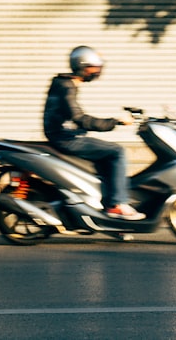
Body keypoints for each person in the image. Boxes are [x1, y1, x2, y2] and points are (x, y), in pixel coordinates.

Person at [43, 46, 146, 221]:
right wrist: (116, 121)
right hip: (66, 138)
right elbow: (79, 118)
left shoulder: (65, 83)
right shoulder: (67, 87)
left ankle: (107, 203)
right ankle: (117, 205)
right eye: (94, 67)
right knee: (117, 152)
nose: (97, 71)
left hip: (66, 135)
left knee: (106, 157)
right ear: (81, 66)